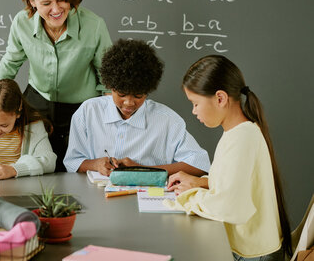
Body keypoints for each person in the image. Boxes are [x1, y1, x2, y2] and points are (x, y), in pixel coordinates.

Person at [166, 55, 291, 261]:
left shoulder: (243, 137)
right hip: (252, 248)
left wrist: (188, 196)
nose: (194, 111)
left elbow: (232, 208)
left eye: (195, 103)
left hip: (253, 253)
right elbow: (236, 186)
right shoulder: (237, 132)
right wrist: (200, 182)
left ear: (220, 98)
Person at [0, 0, 112, 172]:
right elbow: (10, 64)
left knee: (76, 171)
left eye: (61, 0)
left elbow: (108, 78)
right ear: (31, 1)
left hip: (81, 109)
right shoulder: (21, 22)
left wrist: (108, 122)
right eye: (46, 4)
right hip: (37, 104)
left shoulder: (94, 26)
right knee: (35, 168)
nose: (56, 9)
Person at [63, 39, 210, 176]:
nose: (129, 103)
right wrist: (95, 164)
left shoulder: (168, 120)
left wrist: (142, 170)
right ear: (109, 87)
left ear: (148, 90)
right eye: (121, 94)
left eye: (138, 96)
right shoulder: (88, 112)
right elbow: (72, 162)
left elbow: (201, 164)